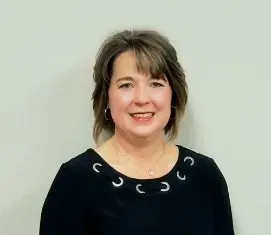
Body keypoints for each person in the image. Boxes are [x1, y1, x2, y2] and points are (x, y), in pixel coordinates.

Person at [39, 29, 235, 235]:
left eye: (156, 83)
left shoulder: (204, 175)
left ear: (173, 95)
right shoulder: (74, 181)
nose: (142, 98)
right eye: (126, 85)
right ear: (106, 96)